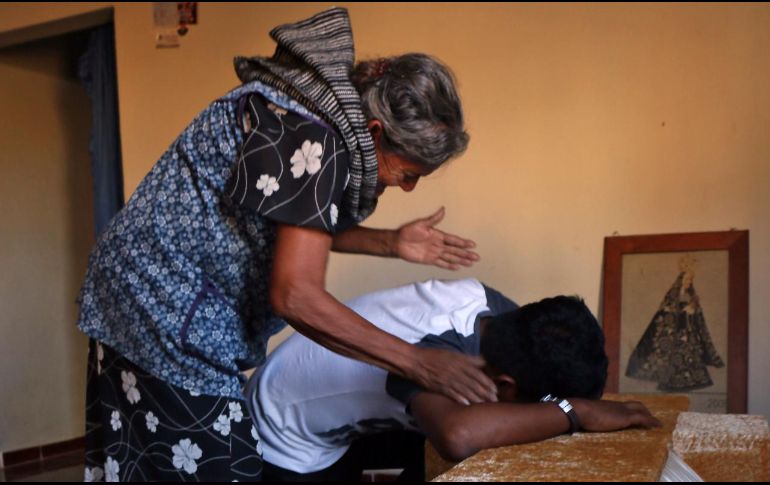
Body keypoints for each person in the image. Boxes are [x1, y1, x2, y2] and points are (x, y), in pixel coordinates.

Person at [77, 7, 496, 482]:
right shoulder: (313, 135)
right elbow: (295, 294)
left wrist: (392, 243)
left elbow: (289, 219)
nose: (408, 189)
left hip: (135, 291)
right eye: (408, 174)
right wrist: (418, 361)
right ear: (375, 133)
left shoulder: (312, 115)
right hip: (158, 306)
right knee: (218, 466)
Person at [248, 278, 662, 481]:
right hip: (281, 439)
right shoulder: (437, 355)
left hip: (337, 409)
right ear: (505, 384)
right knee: (462, 441)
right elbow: (457, 436)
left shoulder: (499, 316)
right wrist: (577, 412)